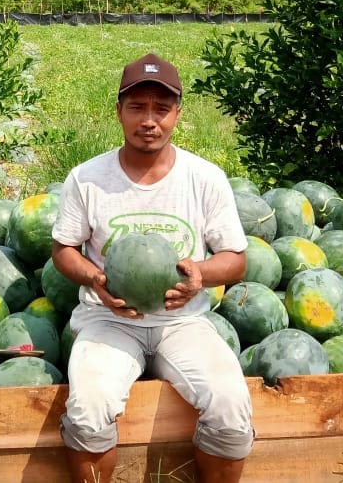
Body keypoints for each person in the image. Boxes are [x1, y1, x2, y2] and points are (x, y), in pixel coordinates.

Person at [51, 53, 254, 483]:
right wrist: (95, 279)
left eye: (161, 109)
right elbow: (63, 249)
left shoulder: (205, 178)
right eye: (137, 107)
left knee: (231, 405)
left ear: (177, 113)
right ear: (119, 111)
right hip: (108, 320)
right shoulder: (86, 178)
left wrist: (200, 274)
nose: (149, 120)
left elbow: (236, 260)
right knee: (87, 409)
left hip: (183, 323)